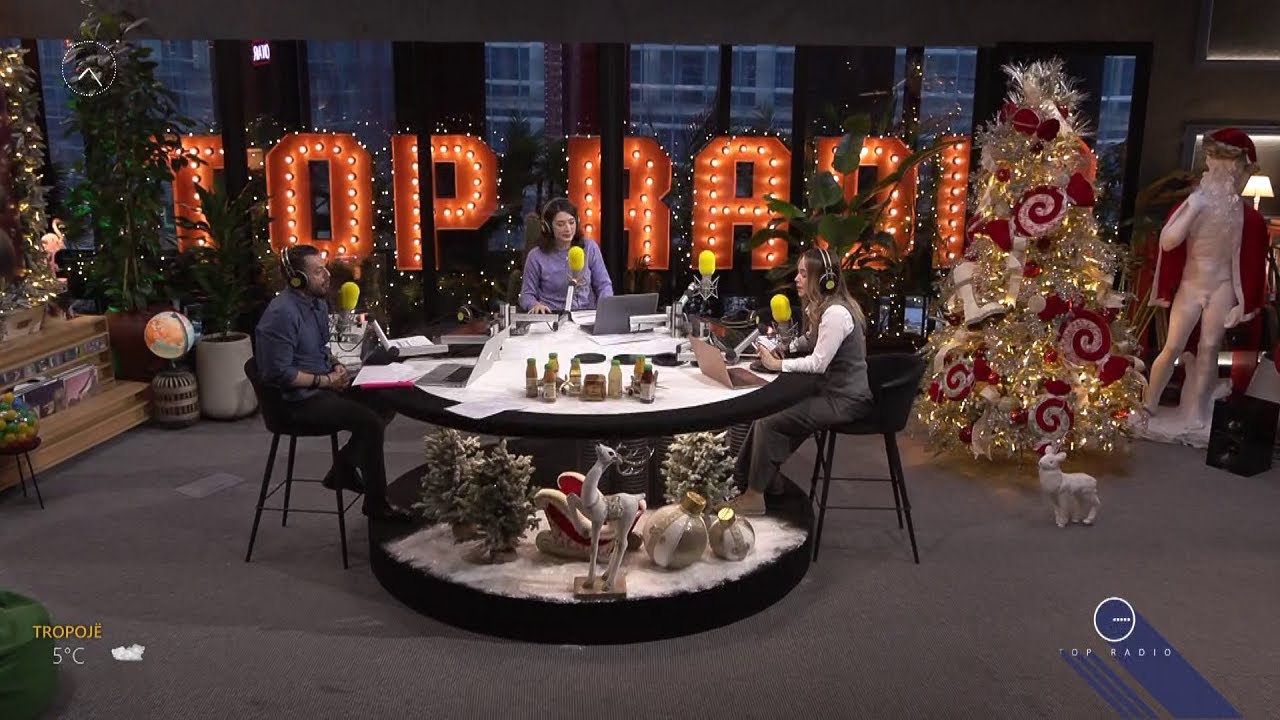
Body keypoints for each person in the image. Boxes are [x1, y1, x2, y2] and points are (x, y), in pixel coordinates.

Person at [255, 244, 413, 523]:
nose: (327, 276)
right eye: (318, 272)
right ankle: (375, 504)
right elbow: (280, 374)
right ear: (298, 279)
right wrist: (326, 381)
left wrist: (335, 365)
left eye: (324, 268)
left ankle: (342, 467)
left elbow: (321, 348)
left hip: (320, 385)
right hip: (295, 401)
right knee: (369, 423)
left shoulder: (318, 304)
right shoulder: (281, 315)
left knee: (386, 400)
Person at [723, 246, 873, 517]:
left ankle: (754, 495)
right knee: (766, 413)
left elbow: (818, 363)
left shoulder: (836, 314)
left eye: (804, 274)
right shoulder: (823, 308)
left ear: (824, 279)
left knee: (769, 421)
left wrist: (776, 364)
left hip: (845, 400)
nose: (797, 278)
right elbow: (811, 339)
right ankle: (763, 480)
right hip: (830, 393)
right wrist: (787, 348)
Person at [1144, 128, 1269, 433]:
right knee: (1173, 346)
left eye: (1232, 164)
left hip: (1222, 287)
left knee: (1209, 348)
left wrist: (1243, 305)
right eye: (1217, 160)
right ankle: (1149, 405)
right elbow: (1169, 241)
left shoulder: (1247, 217)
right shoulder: (1193, 204)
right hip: (1192, 285)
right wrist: (1195, 206)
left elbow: (1251, 263)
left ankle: (1197, 412)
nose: (1224, 170)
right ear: (1209, 162)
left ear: (1240, 169)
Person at [519, 198, 613, 313]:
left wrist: (604, 308)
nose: (568, 229)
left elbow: (604, 285)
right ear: (548, 227)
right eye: (560, 224)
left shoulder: (589, 247)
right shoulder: (536, 256)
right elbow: (526, 295)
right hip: (552, 316)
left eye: (571, 222)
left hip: (587, 315)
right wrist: (534, 305)